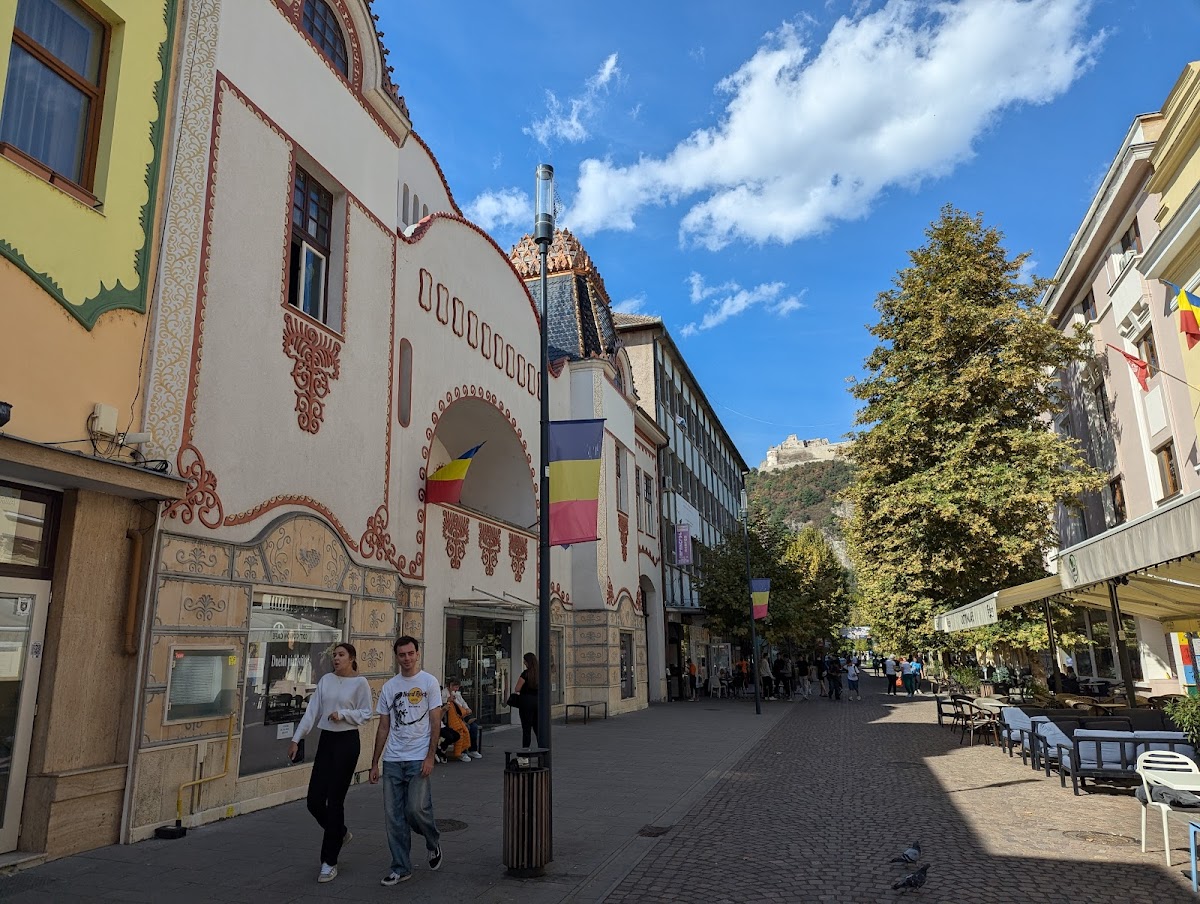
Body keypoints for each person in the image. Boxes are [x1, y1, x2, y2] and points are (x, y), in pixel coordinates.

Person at [290, 643, 373, 884]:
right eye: (334, 655)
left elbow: (367, 713)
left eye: (341, 655)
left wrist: (343, 714)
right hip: (326, 740)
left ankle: (329, 862)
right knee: (314, 800)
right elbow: (312, 711)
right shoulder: (326, 680)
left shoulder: (360, 683)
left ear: (352, 658)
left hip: (347, 742)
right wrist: (296, 738)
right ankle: (340, 832)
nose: (336, 658)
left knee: (335, 800)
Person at [370, 635, 443, 887]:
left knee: (415, 810)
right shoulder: (389, 687)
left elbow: (435, 722)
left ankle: (433, 840)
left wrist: (430, 756)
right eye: (402, 655)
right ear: (397, 657)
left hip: (418, 758)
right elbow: (383, 727)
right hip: (393, 760)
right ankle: (401, 867)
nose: (407, 658)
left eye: (411, 653)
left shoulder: (429, 682)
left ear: (417, 654)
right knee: (394, 818)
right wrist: (374, 762)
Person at [444, 677, 482, 759]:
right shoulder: (444, 693)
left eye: (457, 687)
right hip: (451, 718)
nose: (456, 689)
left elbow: (463, 702)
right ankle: (462, 751)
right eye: (455, 687)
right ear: (450, 686)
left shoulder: (457, 694)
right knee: (465, 728)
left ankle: (473, 749)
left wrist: (467, 708)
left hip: (461, 715)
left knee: (474, 727)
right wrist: (447, 700)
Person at [514, 652, 539, 747]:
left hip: (526, 702)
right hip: (537, 702)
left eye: (525, 661)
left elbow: (517, 688)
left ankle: (525, 750)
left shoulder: (525, 674)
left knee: (526, 729)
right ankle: (542, 748)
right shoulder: (540, 674)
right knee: (537, 728)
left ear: (528, 662)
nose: (524, 662)